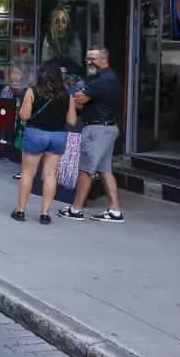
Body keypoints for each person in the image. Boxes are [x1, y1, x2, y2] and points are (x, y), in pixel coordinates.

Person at [60, 44, 127, 223]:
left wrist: (75, 97)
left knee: (86, 170)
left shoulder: (103, 80)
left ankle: (76, 209)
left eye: (92, 58)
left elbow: (79, 99)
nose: (88, 61)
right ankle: (115, 210)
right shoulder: (105, 77)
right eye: (87, 58)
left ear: (104, 59)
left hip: (97, 130)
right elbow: (81, 98)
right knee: (105, 170)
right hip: (106, 128)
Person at [13, 60, 78, 223]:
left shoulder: (32, 91)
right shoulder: (66, 94)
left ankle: (20, 211)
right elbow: (72, 120)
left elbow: (24, 116)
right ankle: (45, 214)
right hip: (57, 135)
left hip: (36, 133)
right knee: (50, 174)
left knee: (28, 173)